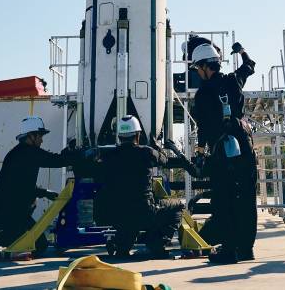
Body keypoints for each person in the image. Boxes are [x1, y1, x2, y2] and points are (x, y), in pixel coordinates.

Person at [188, 38, 259, 264]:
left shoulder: (203, 94)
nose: (198, 73)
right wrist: (242, 50)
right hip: (245, 149)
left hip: (223, 152)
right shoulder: (233, 81)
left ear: (205, 66)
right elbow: (250, 65)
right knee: (247, 199)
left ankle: (229, 251)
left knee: (224, 200)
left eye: (198, 68)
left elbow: (203, 129)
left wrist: (199, 154)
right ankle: (246, 249)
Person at [94, 115, 198, 258]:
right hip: (144, 212)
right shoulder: (146, 152)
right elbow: (164, 159)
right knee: (178, 206)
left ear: (119, 136)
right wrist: (156, 147)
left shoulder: (107, 156)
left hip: (115, 214)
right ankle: (156, 242)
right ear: (137, 135)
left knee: (127, 213)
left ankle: (121, 244)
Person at [0, 116, 73, 259]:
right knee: (37, 246)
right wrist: (75, 154)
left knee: (40, 245)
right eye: (40, 136)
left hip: (11, 212)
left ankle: (4, 233)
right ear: (31, 136)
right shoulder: (27, 153)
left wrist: (45, 193)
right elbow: (56, 160)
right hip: (6, 214)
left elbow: (22, 185)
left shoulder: (20, 152)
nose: (42, 140)